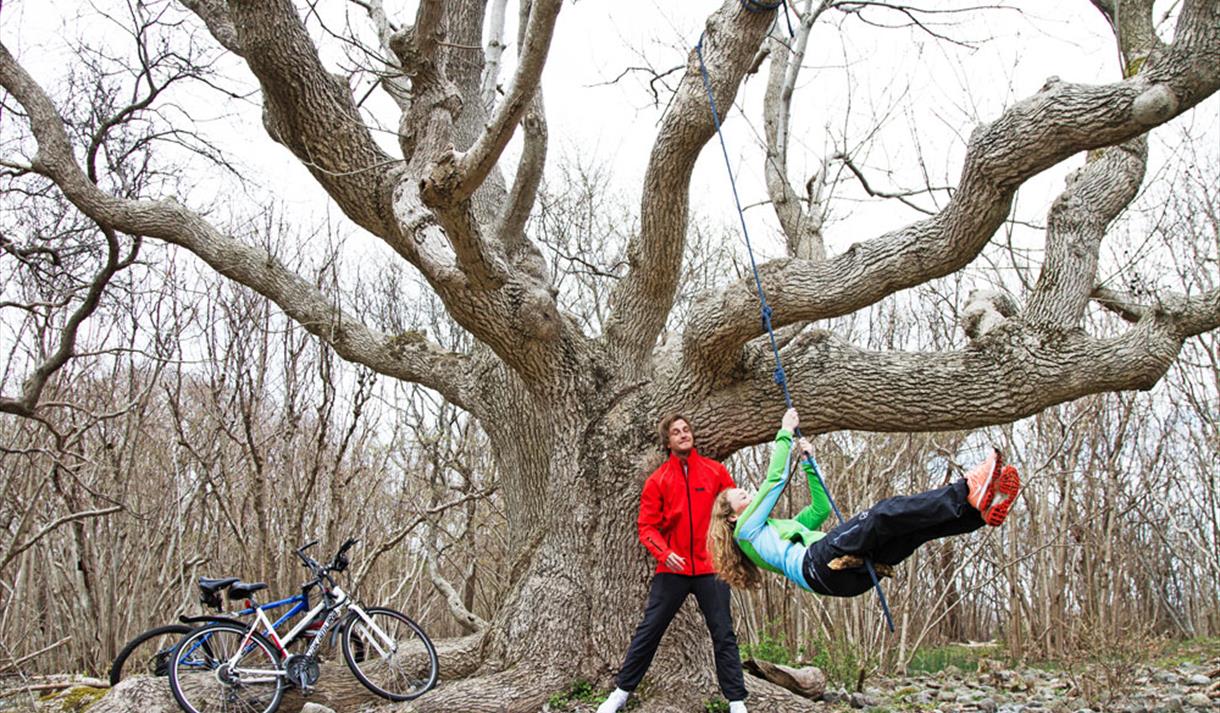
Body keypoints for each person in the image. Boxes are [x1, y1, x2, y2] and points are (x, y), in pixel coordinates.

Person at [707, 408, 1020, 596]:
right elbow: (773, 482)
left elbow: (820, 509)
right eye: (743, 497)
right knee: (883, 513)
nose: (750, 495)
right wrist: (784, 432)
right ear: (731, 517)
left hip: (844, 579)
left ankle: (977, 511)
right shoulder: (745, 530)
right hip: (819, 564)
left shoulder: (781, 532)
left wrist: (808, 464)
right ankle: (966, 487)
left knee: (911, 531)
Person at [598, 414, 749, 713]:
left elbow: (736, 509)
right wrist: (665, 553)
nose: (683, 435)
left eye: (686, 430)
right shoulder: (658, 481)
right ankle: (620, 693)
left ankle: (736, 701)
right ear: (668, 441)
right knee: (649, 630)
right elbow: (647, 528)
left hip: (712, 567)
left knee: (723, 632)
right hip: (673, 569)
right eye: (676, 432)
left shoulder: (715, 472)